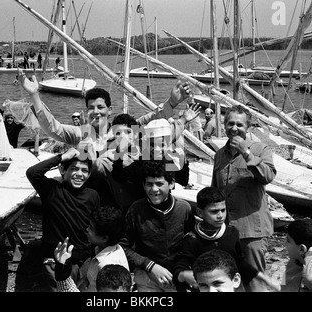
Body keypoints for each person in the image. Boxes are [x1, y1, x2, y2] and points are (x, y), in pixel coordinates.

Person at [17, 69, 191, 208]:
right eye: (91, 107)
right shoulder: (81, 133)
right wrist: (35, 95)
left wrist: (172, 103)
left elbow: (151, 119)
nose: (96, 111)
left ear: (110, 109)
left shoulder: (122, 131)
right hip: (91, 202)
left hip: (124, 201)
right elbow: (53, 128)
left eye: (100, 107)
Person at [211, 104, 277, 292]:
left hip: (252, 231)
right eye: (230, 123)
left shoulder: (260, 149)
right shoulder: (219, 155)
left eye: (239, 125)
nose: (234, 128)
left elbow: (267, 176)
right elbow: (215, 191)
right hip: (227, 231)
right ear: (224, 125)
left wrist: (245, 153)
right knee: (230, 280)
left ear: (248, 127)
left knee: (255, 281)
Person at [172, 186, 280, 292]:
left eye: (223, 210)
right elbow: (180, 267)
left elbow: (240, 263)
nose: (220, 216)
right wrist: (184, 274)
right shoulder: (192, 239)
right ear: (200, 212)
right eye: (214, 211)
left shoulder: (232, 233)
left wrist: (264, 278)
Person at [25, 147, 100, 291]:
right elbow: (32, 173)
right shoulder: (52, 190)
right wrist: (62, 157)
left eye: (84, 171)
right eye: (74, 169)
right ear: (63, 171)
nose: (79, 174)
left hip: (84, 260)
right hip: (56, 260)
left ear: (89, 175)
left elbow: (95, 225)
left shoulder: (93, 195)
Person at [119, 159, 195, 292]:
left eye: (159, 183)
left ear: (171, 184)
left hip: (176, 277)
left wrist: (182, 271)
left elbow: (192, 243)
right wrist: (150, 265)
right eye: (149, 184)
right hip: (146, 277)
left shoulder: (184, 209)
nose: (154, 189)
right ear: (143, 185)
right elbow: (122, 246)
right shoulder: (136, 209)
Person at [49, 204, 129, 292]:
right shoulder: (106, 248)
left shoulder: (107, 267)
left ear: (104, 238)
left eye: (91, 228)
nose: (87, 229)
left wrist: (63, 269)